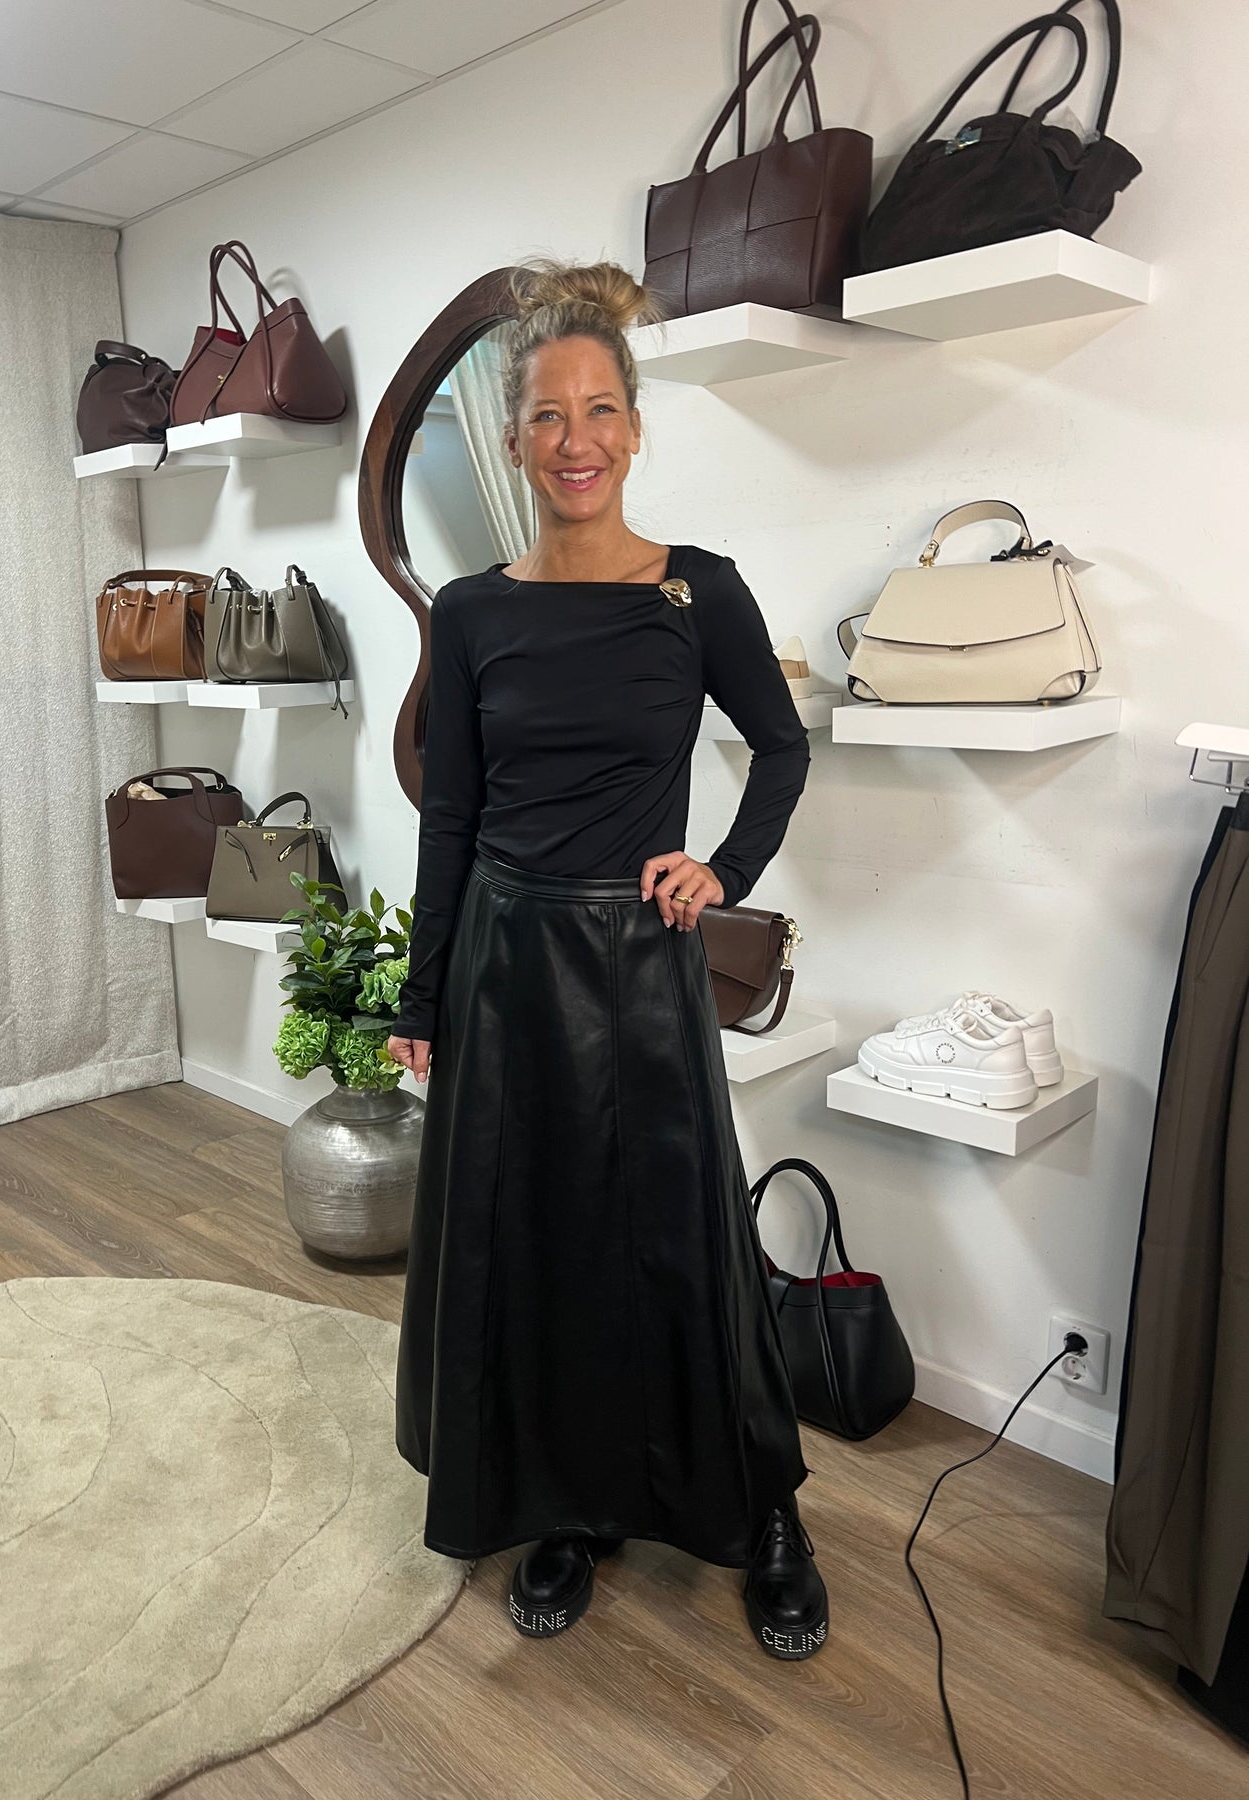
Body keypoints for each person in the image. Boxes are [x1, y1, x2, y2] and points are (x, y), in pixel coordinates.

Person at [385, 256, 827, 1661]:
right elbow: (451, 816)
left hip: (641, 963)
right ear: (516, 439)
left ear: (634, 428)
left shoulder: (698, 594)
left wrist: (726, 869)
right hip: (507, 964)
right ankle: (567, 1503)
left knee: (684, 1242)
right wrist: (423, 991)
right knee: (541, 1240)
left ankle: (763, 1508)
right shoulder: (471, 612)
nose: (574, 440)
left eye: (598, 411)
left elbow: (781, 748)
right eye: (546, 415)